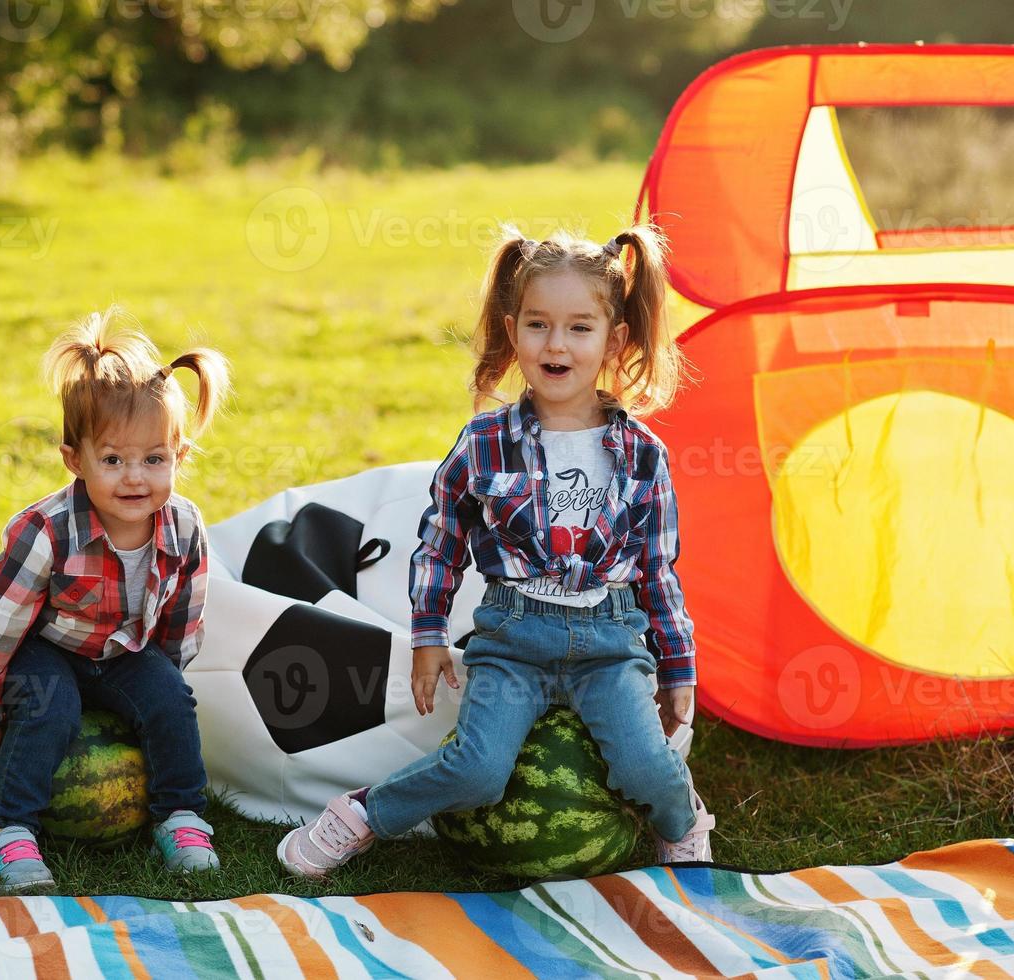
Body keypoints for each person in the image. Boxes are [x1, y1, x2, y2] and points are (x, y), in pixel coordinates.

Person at [278, 225, 714, 878]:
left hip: (609, 643)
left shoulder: (640, 455)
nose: (555, 344)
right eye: (537, 325)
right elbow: (439, 543)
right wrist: (427, 636)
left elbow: (656, 569)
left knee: (646, 764)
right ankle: (361, 814)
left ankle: (682, 827)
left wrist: (677, 666)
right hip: (512, 640)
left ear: (612, 341)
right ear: (514, 333)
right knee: (478, 771)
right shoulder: (484, 443)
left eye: (577, 328)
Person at [0, 307, 230, 894]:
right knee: (51, 706)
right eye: (113, 460)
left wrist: (157, 685)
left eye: (154, 459)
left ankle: (180, 816)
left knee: (172, 700)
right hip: (45, 650)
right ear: (74, 460)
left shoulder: (182, 525)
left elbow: (182, 617)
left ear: (179, 457)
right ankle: (8, 832)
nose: (135, 478)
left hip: (122, 650)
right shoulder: (46, 531)